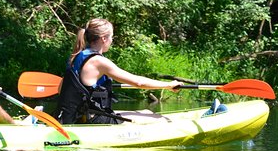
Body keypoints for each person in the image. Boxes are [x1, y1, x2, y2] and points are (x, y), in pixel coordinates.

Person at [55, 18, 183, 124]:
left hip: (81, 115)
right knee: (158, 119)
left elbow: (61, 89)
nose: (112, 40)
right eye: (111, 37)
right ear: (104, 38)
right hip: (93, 119)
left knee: (147, 112)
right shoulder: (98, 61)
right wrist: (168, 85)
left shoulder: (77, 56)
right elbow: (138, 82)